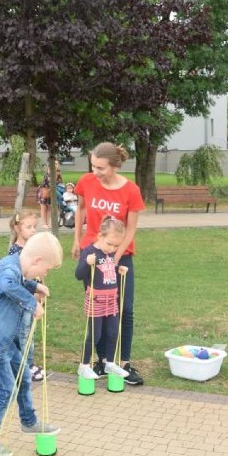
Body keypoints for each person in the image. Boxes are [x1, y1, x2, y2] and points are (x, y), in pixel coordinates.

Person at [0, 232, 62, 456]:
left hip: (4, 339)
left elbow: (17, 281)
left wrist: (33, 286)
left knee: (24, 377)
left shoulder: (17, 267)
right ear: (37, 260)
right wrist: (32, 303)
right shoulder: (9, 270)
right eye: (47, 269)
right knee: (7, 391)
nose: (45, 274)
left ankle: (29, 421)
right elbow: (5, 284)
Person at [72, 142, 144, 385]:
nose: (95, 172)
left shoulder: (131, 190)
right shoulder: (87, 182)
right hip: (93, 254)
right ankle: (102, 361)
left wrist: (117, 255)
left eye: (101, 167)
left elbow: (131, 228)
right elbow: (80, 209)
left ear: (115, 166)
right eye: (93, 165)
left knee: (125, 308)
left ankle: (124, 362)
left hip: (120, 255)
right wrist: (77, 241)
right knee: (98, 309)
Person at [75, 216, 131, 380]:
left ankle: (110, 363)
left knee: (114, 332)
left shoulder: (109, 253)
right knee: (95, 335)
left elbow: (107, 271)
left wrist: (119, 269)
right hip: (96, 301)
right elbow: (78, 275)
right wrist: (86, 262)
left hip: (111, 300)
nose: (112, 248)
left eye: (116, 246)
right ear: (100, 236)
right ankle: (84, 366)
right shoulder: (90, 252)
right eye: (109, 244)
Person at [8, 210, 47, 381]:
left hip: (33, 298)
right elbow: (18, 280)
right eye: (28, 226)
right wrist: (32, 294)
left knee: (29, 331)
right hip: (22, 301)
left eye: (34, 227)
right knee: (23, 334)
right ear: (17, 228)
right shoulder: (16, 252)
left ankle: (27, 363)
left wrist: (41, 288)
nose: (32, 230)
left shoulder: (31, 249)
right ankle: (25, 366)